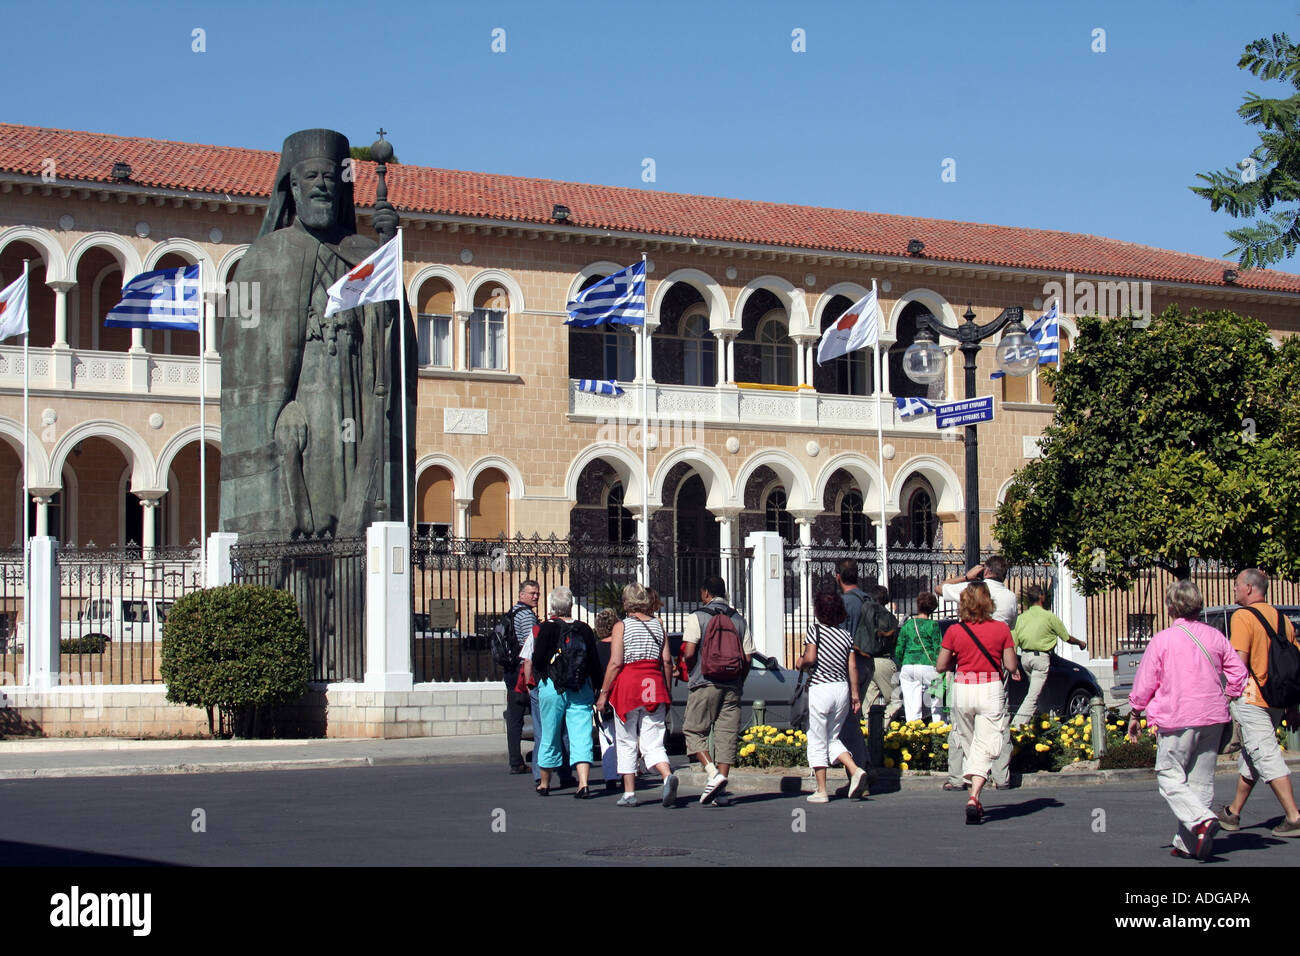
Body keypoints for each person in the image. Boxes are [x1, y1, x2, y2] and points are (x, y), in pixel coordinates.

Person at [1128, 580, 1247, 860]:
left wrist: (1135, 712)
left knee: (1169, 775)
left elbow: (1145, 682)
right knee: (1200, 781)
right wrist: (1228, 695)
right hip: (1212, 717)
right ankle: (1188, 843)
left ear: (1170, 607)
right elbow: (1239, 673)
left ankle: (1202, 821)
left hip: (1176, 716)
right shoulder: (1216, 637)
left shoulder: (1163, 640)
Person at [1216, 568, 1300, 837]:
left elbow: (1239, 662)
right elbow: (1292, 665)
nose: (1235, 589)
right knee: (1252, 755)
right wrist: (1292, 706)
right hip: (1277, 698)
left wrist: (1226, 693)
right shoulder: (1282, 619)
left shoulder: (1242, 617)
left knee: (1265, 753)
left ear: (1250, 588)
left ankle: (1293, 816)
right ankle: (1233, 813)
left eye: (1237, 585)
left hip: (1252, 697)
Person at [935, 581, 1022, 824]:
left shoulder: (954, 631)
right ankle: (974, 795)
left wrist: (959, 659)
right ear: (988, 602)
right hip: (990, 688)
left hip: (963, 688)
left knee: (969, 742)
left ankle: (972, 788)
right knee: (987, 743)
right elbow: (1012, 666)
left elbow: (941, 666)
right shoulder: (1001, 629)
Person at [595, 583, 678, 807]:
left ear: (627, 602)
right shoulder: (659, 625)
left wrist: (603, 694)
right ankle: (666, 774)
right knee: (653, 738)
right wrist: (667, 689)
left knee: (626, 739)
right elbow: (667, 661)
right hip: (654, 684)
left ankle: (629, 792)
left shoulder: (622, 627)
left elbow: (615, 662)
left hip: (630, 685)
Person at [681, 575, 753, 805]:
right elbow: (748, 657)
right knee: (726, 735)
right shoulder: (739, 620)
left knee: (693, 730)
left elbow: (690, 652)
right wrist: (739, 679)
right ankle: (720, 789)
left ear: (705, 593)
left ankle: (713, 774)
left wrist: (690, 671)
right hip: (732, 684)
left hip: (705, 681)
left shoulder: (697, 617)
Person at [797, 589, 870, 803]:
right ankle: (855, 769)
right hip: (842, 689)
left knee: (817, 738)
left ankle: (821, 789)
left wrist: (800, 662)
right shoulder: (845, 635)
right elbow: (852, 665)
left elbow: (810, 658)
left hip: (821, 688)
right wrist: (855, 694)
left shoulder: (815, 631)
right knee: (832, 737)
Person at [532, 587, 604, 798]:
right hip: (580, 687)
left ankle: (544, 783)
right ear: (571, 605)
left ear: (553, 606)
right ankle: (583, 783)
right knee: (581, 735)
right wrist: (598, 687)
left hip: (553, 687)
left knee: (550, 733)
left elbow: (538, 660)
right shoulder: (584, 629)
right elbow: (593, 662)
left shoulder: (547, 628)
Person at [833, 559, 896, 781]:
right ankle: (862, 762)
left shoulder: (844, 603)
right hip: (869, 660)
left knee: (847, 718)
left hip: (852, 664)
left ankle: (859, 769)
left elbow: (840, 638)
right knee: (852, 715)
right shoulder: (867, 598)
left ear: (838, 576)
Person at [1010, 584, 1087, 727]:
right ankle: (1016, 727)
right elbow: (1066, 637)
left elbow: (1013, 644)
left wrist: (1014, 667)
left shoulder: (1021, 618)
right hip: (1041, 659)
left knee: (1041, 692)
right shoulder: (1049, 617)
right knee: (1033, 696)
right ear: (1042, 597)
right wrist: (1080, 643)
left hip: (1025, 658)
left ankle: (1043, 722)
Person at [502, 580, 541, 774]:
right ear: (521, 594)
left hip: (511, 671)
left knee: (514, 716)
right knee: (534, 714)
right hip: (521, 672)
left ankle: (515, 760)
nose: (535, 596)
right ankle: (531, 759)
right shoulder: (526, 616)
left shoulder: (513, 612)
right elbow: (530, 648)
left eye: (537, 593)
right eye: (531, 593)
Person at [896, 591, 944, 724]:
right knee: (936, 702)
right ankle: (938, 728)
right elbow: (938, 649)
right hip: (928, 665)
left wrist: (903, 663)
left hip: (908, 665)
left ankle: (913, 734)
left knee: (912, 706)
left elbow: (899, 648)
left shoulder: (908, 625)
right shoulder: (933, 625)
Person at [592, 607, 621, 791]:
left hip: (603, 696)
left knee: (606, 737)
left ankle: (610, 776)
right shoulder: (620, 646)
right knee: (626, 736)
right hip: (621, 694)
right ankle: (628, 771)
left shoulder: (595, 649)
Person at [868, 584, 903, 720]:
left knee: (870, 704)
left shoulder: (866, 618)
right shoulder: (890, 618)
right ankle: (883, 725)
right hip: (885, 660)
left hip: (868, 661)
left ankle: (870, 731)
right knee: (896, 700)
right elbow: (895, 641)